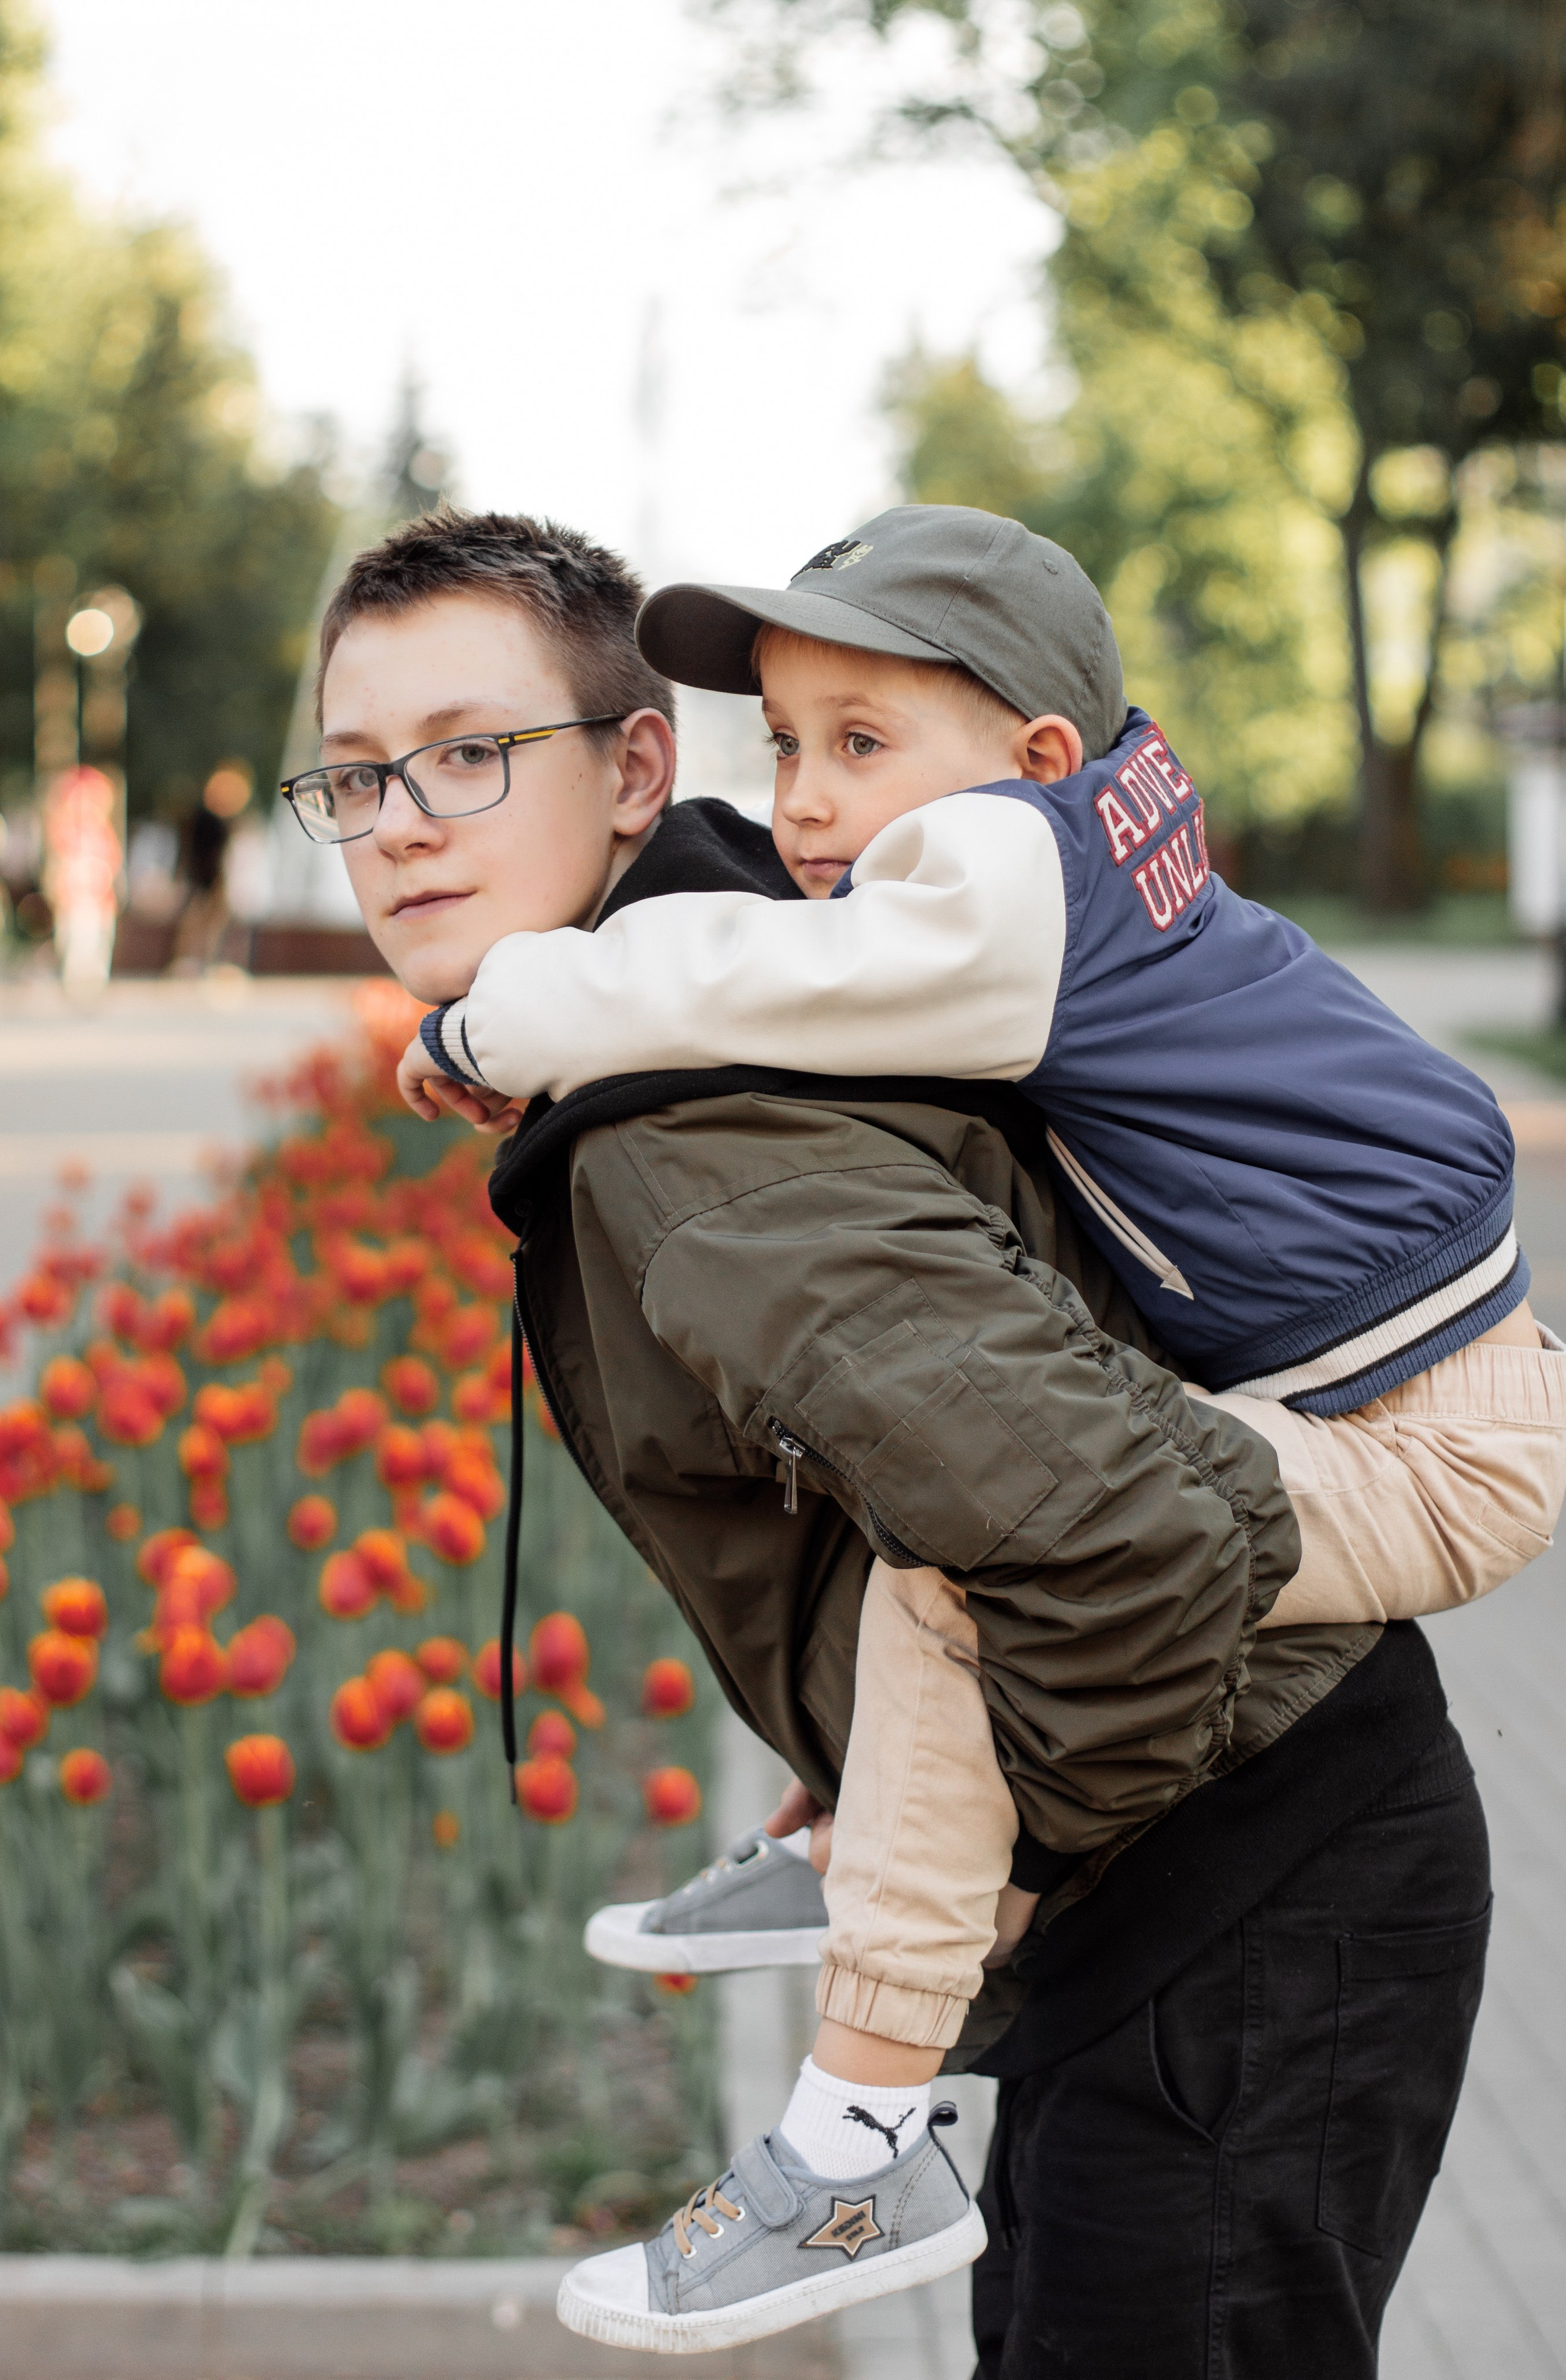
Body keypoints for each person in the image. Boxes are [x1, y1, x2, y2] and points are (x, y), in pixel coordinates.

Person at [296, 504, 1493, 2376]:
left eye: (467, 753)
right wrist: (879, 1764)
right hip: (1198, 1859)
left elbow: (1129, 1544)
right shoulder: (736, 1004)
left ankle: (850, 2145)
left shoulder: (692, 1128)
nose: (403, 823)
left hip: (1242, 1870)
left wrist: (964, 1885)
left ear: (631, 769)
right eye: (355, 777)